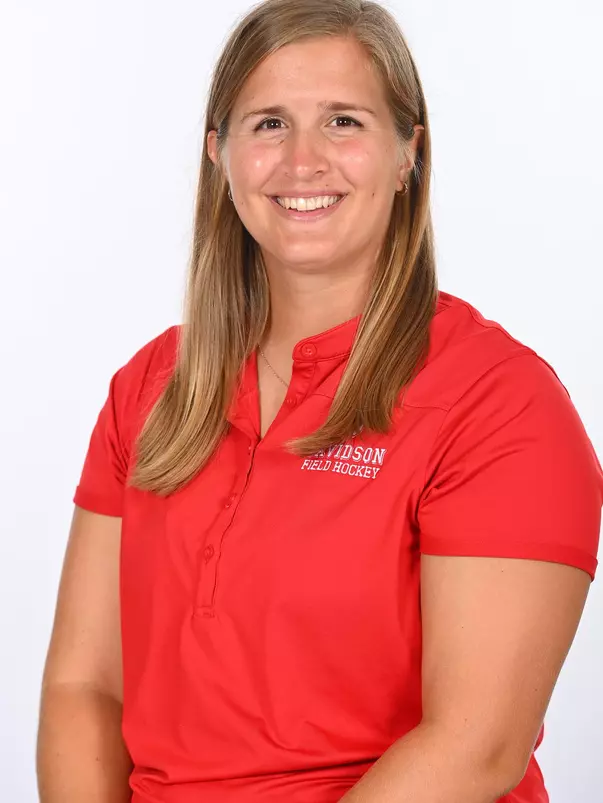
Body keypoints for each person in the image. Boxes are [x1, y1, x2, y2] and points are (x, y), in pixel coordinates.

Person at [36, 1, 603, 802]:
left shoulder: (499, 402)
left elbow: (474, 747)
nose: (302, 160)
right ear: (218, 155)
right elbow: (84, 686)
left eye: (343, 121)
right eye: (268, 124)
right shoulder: (150, 387)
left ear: (407, 153)